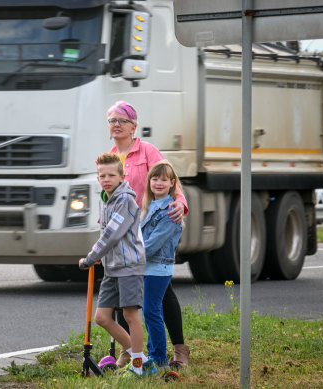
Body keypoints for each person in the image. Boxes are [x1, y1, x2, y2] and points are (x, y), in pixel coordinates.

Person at [106, 100, 190, 368]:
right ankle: (130, 349)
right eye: (112, 121)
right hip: (124, 232)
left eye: (122, 120)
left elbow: (167, 177)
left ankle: (179, 350)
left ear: (133, 126)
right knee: (123, 292)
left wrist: (180, 202)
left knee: (162, 294)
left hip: (151, 226)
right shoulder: (110, 155)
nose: (116, 125)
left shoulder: (147, 151)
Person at [78, 153, 155, 377]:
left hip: (129, 266)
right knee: (102, 317)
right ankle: (142, 360)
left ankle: (139, 367)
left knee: (130, 316)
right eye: (102, 175)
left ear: (122, 177)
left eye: (112, 174)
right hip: (112, 267)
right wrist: (99, 255)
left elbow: (112, 234)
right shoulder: (107, 199)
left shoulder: (126, 201)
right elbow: (106, 233)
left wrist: (91, 257)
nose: (106, 179)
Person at [140, 160, 183, 367]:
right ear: (149, 182)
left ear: (172, 183)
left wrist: (127, 256)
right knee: (150, 311)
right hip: (146, 267)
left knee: (151, 310)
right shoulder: (149, 207)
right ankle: (153, 353)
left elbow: (152, 245)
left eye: (164, 180)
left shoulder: (170, 211)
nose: (158, 183)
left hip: (158, 268)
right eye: (154, 179)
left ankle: (158, 358)